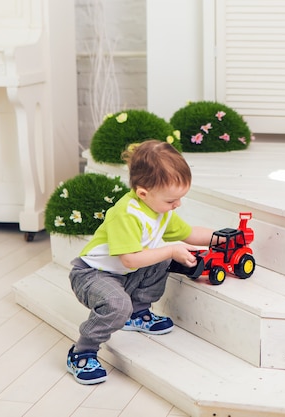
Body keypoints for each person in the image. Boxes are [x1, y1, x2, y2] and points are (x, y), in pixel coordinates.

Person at [67, 139, 215, 385]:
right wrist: (171, 250)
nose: (176, 205)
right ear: (143, 193)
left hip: (124, 273)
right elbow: (129, 259)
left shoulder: (160, 211)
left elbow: (189, 234)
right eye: (171, 200)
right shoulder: (126, 214)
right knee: (117, 302)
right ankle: (82, 352)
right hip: (92, 275)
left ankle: (137, 313)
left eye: (180, 198)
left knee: (161, 256)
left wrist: (222, 238)